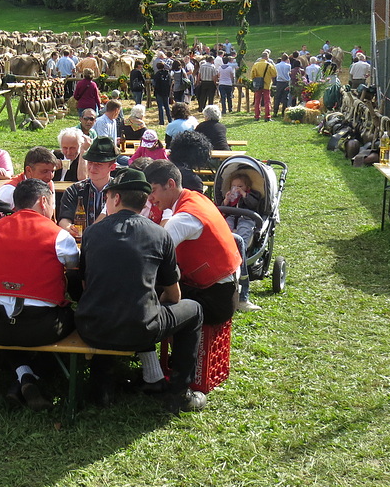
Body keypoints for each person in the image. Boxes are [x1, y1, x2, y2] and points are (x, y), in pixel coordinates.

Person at [77, 168, 206, 413]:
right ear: (145, 199)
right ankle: (179, 393)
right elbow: (175, 295)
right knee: (195, 310)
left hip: (90, 327)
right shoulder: (160, 234)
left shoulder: (92, 233)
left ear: (115, 198)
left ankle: (101, 388)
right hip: (141, 330)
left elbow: (85, 284)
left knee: (109, 302)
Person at [0, 178, 80, 409]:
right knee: (73, 319)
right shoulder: (59, 235)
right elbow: (74, 270)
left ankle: (23, 378)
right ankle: (32, 377)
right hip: (39, 328)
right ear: (44, 201)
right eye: (53, 203)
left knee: (11, 332)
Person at [144, 160, 241, 326]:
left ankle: (151, 349)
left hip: (215, 298)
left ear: (170, 184)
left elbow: (151, 258)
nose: (150, 199)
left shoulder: (182, 219)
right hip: (226, 289)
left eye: (153, 191)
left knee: (142, 296)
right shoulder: (196, 198)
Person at [58, 137, 118, 234]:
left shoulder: (120, 191)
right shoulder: (75, 190)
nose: (92, 168)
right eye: (90, 162)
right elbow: (64, 219)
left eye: (99, 164)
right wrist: (69, 228)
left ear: (112, 167)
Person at [223, 171, 263, 313]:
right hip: (232, 217)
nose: (236, 188)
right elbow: (223, 209)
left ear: (247, 187)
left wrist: (244, 195)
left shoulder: (252, 195)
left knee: (244, 229)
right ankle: (226, 243)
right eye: (234, 186)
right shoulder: (231, 196)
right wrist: (226, 201)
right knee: (225, 223)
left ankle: (240, 249)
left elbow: (253, 204)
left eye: (240, 186)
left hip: (246, 218)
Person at [0, 145, 57, 210]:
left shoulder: (48, 184)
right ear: (29, 170)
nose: (50, 177)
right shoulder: (9, 190)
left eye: (53, 171)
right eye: (44, 171)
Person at [249, 51, 276, 121]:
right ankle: (267, 116)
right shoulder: (269, 65)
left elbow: (252, 74)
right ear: (267, 57)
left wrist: (256, 79)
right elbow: (274, 74)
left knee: (257, 101)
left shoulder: (256, 65)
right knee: (267, 101)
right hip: (266, 85)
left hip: (258, 85)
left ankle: (257, 116)